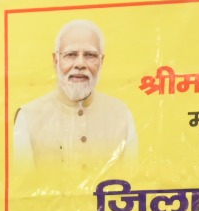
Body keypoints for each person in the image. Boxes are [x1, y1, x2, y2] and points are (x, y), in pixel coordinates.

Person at [12, 19, 138, 173]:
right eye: (71, 55)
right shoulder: (28, 117)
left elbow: (131, 179)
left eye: (90, 55)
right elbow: (24, 184)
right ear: (56, 60)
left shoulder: (121, 115)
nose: (80, 64)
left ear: (101, 61)